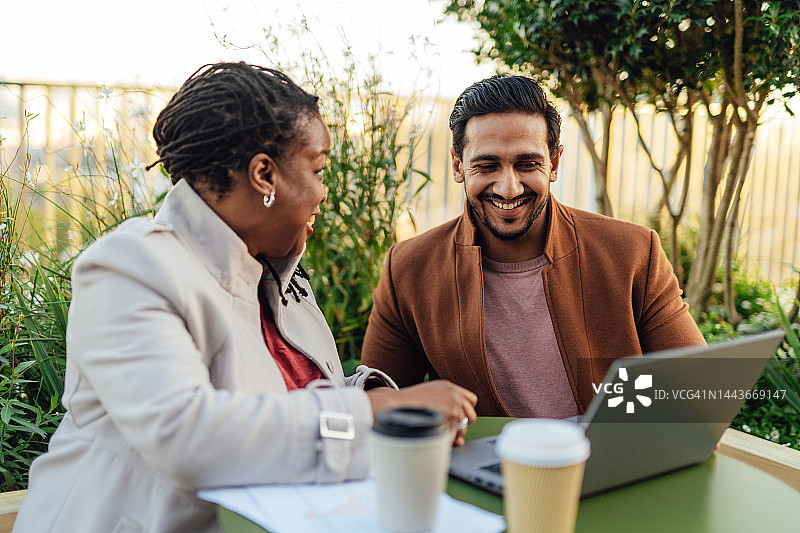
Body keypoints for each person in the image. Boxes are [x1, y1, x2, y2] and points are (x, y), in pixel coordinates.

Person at [13, 62, 477, 533]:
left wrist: (375, 396)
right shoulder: (130, 266)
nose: (323, 192)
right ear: (263, 174)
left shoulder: (275, 274)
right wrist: (373, 413)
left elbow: (287, 402)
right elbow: (189, 436)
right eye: (318, 170)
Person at [361, 75, 705, 419]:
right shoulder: (409, 269)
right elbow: (378, 406)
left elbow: (697, 396)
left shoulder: (633, 253)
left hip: (611, 452)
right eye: (487, 165)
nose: (508, 188)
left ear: (553, 164)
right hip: (479, 455)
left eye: (527, 164)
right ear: (458, 165)